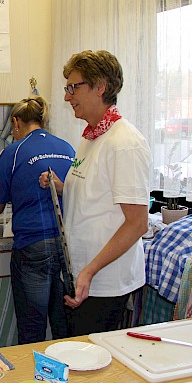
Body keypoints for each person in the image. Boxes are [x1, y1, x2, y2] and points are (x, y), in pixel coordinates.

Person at [39, 50, 151, 336]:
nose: (67, 97)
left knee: (94, 363)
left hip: (105, 281)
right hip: (84, 275)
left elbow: (137, 223)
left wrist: (89, 271)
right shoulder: (91, 136)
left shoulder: (124, 142)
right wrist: (59, 185)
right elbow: (94, 195)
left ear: (100, 86)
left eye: (73, 87)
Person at [0, 96, 75, 343]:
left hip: (33, 247)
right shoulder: (68, 148)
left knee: (32, 326)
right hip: (67, 245)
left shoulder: (13, 152)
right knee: (62, 324)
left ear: (15, 122)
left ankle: (32, 379)